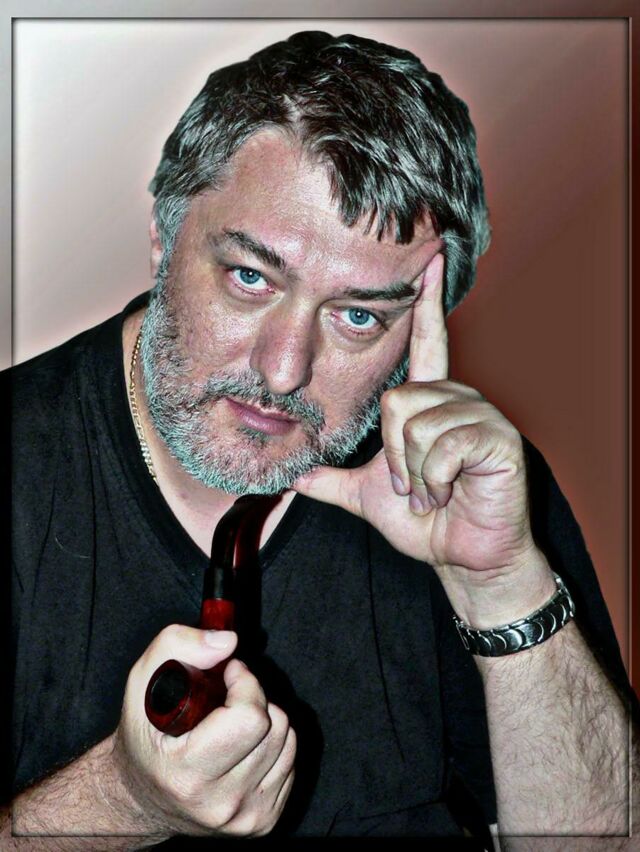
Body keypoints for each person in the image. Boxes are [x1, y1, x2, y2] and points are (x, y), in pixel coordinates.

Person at [4, 30, 638, 848]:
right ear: (165, 234)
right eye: (250, 277)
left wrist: (502, 584)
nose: (283, 369)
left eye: (358, 316)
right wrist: (123, 801)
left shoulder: (470, 485)